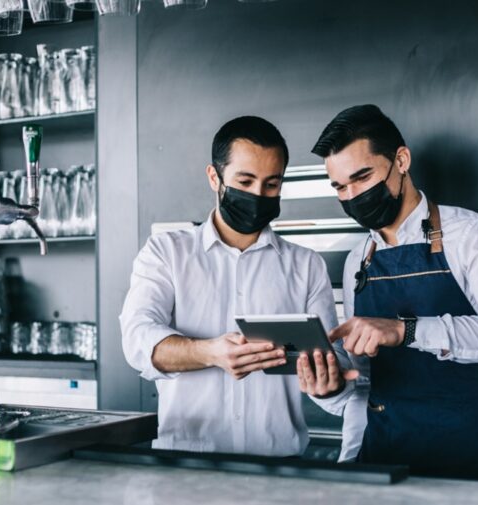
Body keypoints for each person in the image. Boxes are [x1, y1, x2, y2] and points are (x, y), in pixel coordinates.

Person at [296, 104, 478, 481]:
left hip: (463, 462)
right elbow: (362, 387)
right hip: (381, 461)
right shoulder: (358, 260)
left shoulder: (471, 234)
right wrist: (327, 393)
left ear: (401, 160)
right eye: (340, 187)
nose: (352, 195)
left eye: (362, 177)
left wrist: (406, 330)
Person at [120, 116, 341, 456]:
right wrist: (209, 352)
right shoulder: (166, 253)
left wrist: (327, 385)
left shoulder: (306, 265)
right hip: (185, 468)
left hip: (279, 470)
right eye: (245, 180)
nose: (258, 194)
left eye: (271, 184)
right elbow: (137, 341)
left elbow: (329, 368)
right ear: (215, 177)